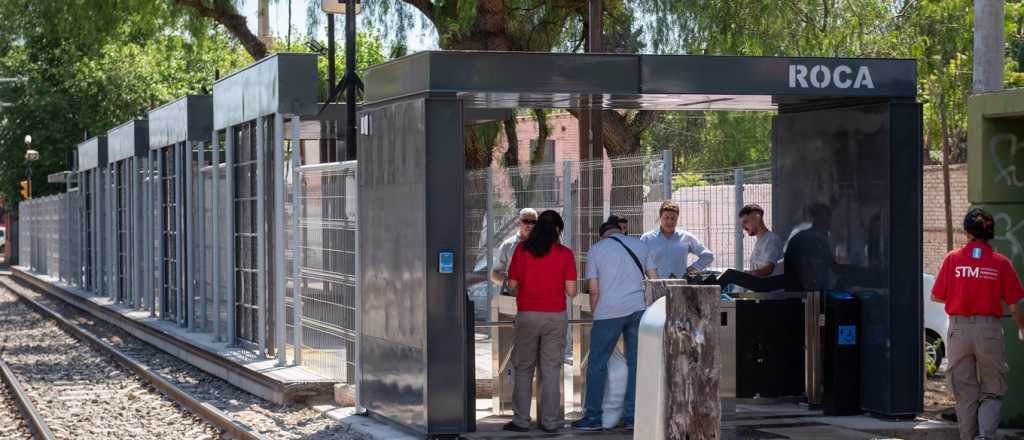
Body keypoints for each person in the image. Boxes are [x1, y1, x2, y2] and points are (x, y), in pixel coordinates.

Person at [931, 208, 1024, 440]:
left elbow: (936, 295)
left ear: (967, 233)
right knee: (992, 389)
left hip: (959, 330)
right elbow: (1014, 306)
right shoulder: (1001, 263)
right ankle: (985, 436)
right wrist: (1022, 327)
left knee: (965, 392)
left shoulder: (953, 259)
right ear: (990, 233)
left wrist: (960, 294)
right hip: (989, 330)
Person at [572, 216, 658, 431]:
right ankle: (632, 417)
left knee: (597, 365)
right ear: (620, 231)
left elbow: (593, 289)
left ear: (602, 234)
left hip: (607, 313)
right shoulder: (640, 245)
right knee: (636, 364)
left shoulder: (596, 250)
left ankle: (593, 417)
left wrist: (595, 313)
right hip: (638, 310)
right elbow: (655, 279)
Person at [504, 210, 577, 433]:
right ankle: (550, 421)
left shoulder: (522, 250)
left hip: (527, 314)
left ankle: (521, 420)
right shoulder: (565, 254)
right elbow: (572, 291)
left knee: (524, 368)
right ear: (557, 230)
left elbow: (512, 286)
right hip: (555, 316)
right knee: (551, 369)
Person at [716, 204, 785, 292]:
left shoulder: (772, 240)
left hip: (769, 288)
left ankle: (707, 291)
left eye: (745, 222)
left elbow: (768, 269)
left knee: (730, 274)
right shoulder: (761, 241)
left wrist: (749, 274)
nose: (743, 227)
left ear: (757, 217)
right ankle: (708, 286)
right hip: (760, 289)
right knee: (728, 276)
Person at [641, 200, 714, 279]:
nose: (670, 221)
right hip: (655, 287)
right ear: (660, 217)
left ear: (677, 219)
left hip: (680, 287)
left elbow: (708, 256)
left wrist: (692, 269)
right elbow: (639, 261)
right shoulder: (647, 239)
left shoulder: (686, 238)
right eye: (666, 217)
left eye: (673, 218)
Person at [491, 208, 538, 294]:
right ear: (519, 222)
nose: (530, 225)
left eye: (533, 222)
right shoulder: (507, 245)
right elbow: (493, 275)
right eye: (526, 221)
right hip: (514, 300)